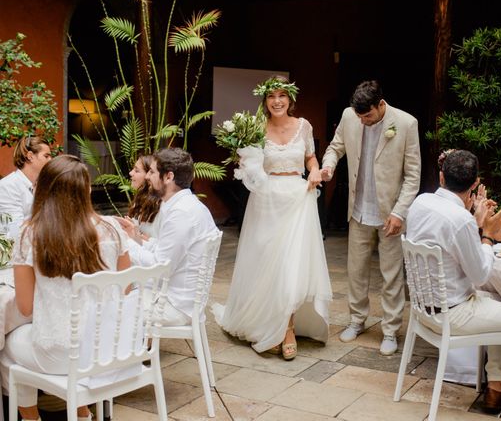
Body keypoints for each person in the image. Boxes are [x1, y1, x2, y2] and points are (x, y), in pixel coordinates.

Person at [0, 155, 131, 421]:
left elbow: (25, 308)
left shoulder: (31, 234)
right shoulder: (113, 230)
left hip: (60, 354)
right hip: (108, 349)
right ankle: (83, 414)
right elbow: (126, 290)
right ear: (86, 190)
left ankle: (32, 418)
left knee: (6, 348)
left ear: (43, 190)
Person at [213, 75, 332, 360]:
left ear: (290, 99)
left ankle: (287, 327)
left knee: (292, 264)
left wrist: (315, 171)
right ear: (265, 101)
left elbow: (310, 159)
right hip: (265, 201)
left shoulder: (304, 126)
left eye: (282, 95)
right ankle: (266, 320)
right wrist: (246, 162)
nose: (277, 101)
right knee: (267, 263)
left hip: (297, 198)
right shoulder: (254, 129)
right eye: (271, 97)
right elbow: (249, 166)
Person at [405, 149, 501, 412]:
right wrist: (488, 236)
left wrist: (475, 220)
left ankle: (497, 387)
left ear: (441, 177)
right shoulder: (459, 220)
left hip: (423, 310)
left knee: (498, 299)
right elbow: (480, 275)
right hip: (453, 313)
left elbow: (448, 241)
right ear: (475, 183)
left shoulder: (421, 202)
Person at [321, 79, 421, 355]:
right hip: (359, 208)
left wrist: (400, 212)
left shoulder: (406, 123)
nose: (363, 121)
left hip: (391, 213)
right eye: (359, 116)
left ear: (381, 105)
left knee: (391, 274)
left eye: (368, 116)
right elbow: (335, 147)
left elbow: (413, 177)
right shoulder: (349, 116)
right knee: (356, 270)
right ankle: (357, 320)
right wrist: (328, 167)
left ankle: (390, 329)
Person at [117, 147, 219, 326]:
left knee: (110, 303)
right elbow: (164, 249)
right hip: (180, 298)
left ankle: (127, 351)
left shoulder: (181, 213)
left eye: (152, 172)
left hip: (174, 305)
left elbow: (161, 268)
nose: (148, 177)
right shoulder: (185, 205)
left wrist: (125, 242)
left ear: (169, 177)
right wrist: (135, 237)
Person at [0, 136, 52, 239]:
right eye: (46, 156)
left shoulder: (41, 186)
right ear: (30, 156)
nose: (51, 160)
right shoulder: (8, 186)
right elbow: (14, 232)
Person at [126, 154, 161, 241]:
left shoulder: (158, 205)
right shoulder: (139, 199)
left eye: (137, 171)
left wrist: (137, 233)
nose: (131, 173)